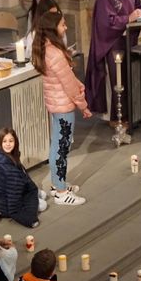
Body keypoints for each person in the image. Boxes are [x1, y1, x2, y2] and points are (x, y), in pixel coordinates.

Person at [32, 10, 91, 206]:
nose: (65, 28)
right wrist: (83, 105)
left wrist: (78, 86)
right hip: (63, 106)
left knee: (58, 145)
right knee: (61, 147)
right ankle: (61, 192)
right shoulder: (55, 54)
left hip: (56, 104)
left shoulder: (47, 49)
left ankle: (58, 183)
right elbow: (70, 86)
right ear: (53, 28)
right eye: (62, 24)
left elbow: (67, 78)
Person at [84, 0, 141, 125]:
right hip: (113, 44)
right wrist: (128, 18)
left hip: (128, 40)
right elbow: (106, 23)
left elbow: (139, 5)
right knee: (118, 80)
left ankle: (131, 113)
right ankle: (116, 118)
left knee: (128, 77)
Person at [0, 128, 45, 228]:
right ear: (0, 142)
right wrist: (29, 219)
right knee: (43, 204)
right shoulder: (6, 167)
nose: (8, 144)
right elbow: (13, 200)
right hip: (5, 202)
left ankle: (33, 197)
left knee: (41, 194)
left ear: (15, 142)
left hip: (4, 195)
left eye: (11, 141)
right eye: (4, 141)